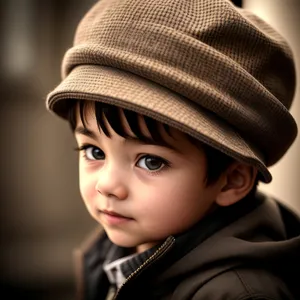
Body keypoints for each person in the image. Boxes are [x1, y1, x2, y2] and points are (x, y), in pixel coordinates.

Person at [46, 0, 300, 299]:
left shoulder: (236, 292)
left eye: (151, 161)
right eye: (94, 152)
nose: (107, 186)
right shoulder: (117, 251)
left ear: (232, 180)